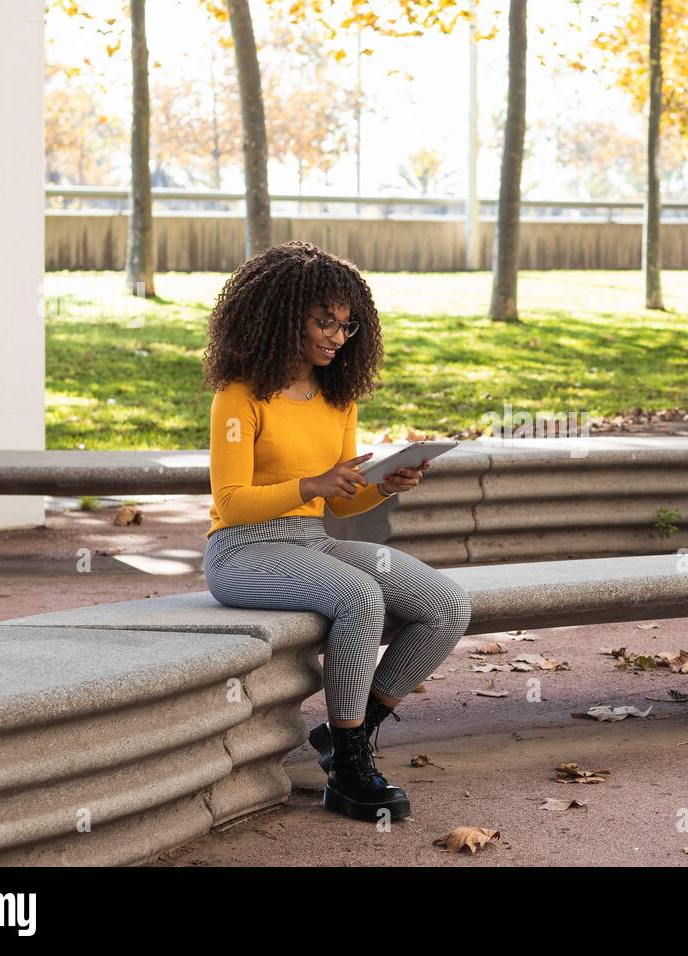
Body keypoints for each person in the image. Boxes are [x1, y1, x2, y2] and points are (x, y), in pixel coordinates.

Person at [199, 240, 472, 823]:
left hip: (311, 543)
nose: (336, 336)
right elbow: (230, 502)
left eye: (347, 326)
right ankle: (350, 770)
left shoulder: (337, 397)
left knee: (446, 603)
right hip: (243, 551)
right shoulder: (239, 395)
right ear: (280, 315)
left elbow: (343, 503)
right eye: (324, 321)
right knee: (360, 596)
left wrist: (385, 484)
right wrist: (313, 484)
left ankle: (344, 734)